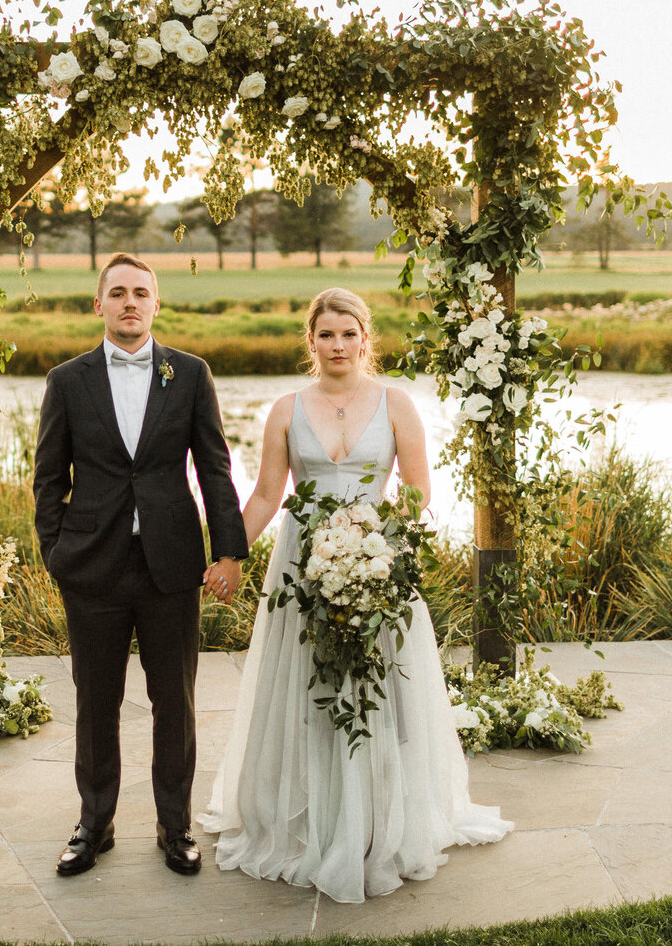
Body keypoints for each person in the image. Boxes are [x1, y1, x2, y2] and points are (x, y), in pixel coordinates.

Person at [200, 287, 513, 902]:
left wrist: (379, 538)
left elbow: (419, 490)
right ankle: (309, 818)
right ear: (310, 342)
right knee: (307, 685)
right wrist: (229, 555)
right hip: (304, 564)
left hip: (377, 559)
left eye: (349, 334)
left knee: (381, 688)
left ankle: (376, 819)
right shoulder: (286, 410)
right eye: (326, 335)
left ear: (365, 339)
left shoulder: (396, 404)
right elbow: (266, 494)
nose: (337, 346)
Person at [33, 252, 248, 878]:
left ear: (157, 304)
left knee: (173, 703)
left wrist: (228, 551)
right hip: (92, 565)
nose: (130, 302)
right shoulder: (67, 380)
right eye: (118, 293)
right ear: (98, 304)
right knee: (96, 702)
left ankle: (174, 825)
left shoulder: (190, 374)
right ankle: (94, 825)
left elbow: (214, 467)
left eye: (141, 293)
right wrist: (57, 553)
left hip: (171, 566)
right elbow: (48, 478)